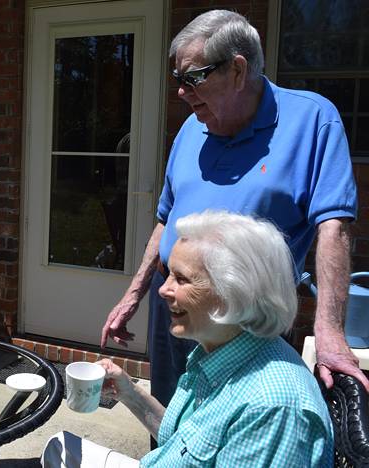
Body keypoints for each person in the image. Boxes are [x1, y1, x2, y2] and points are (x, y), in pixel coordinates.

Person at [100, 9, 367, 412]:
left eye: (192, 78)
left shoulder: (312, 120)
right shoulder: (193, 127)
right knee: (172, 413)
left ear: (238, 70)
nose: (181, 92)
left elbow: (335, 229)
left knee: (238, 423)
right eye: (178, 80)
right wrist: (132, 295)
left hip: (245, 318)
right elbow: (166, 219)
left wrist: (329, 329)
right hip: (173, 299)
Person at [45, 211, 334, 467]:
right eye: (168, 274)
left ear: (233, 293)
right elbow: (184, 445)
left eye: (181, 279)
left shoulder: (271, 412)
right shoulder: (219, 351)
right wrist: (129, 393)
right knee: (59, 447)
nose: (162, 290)